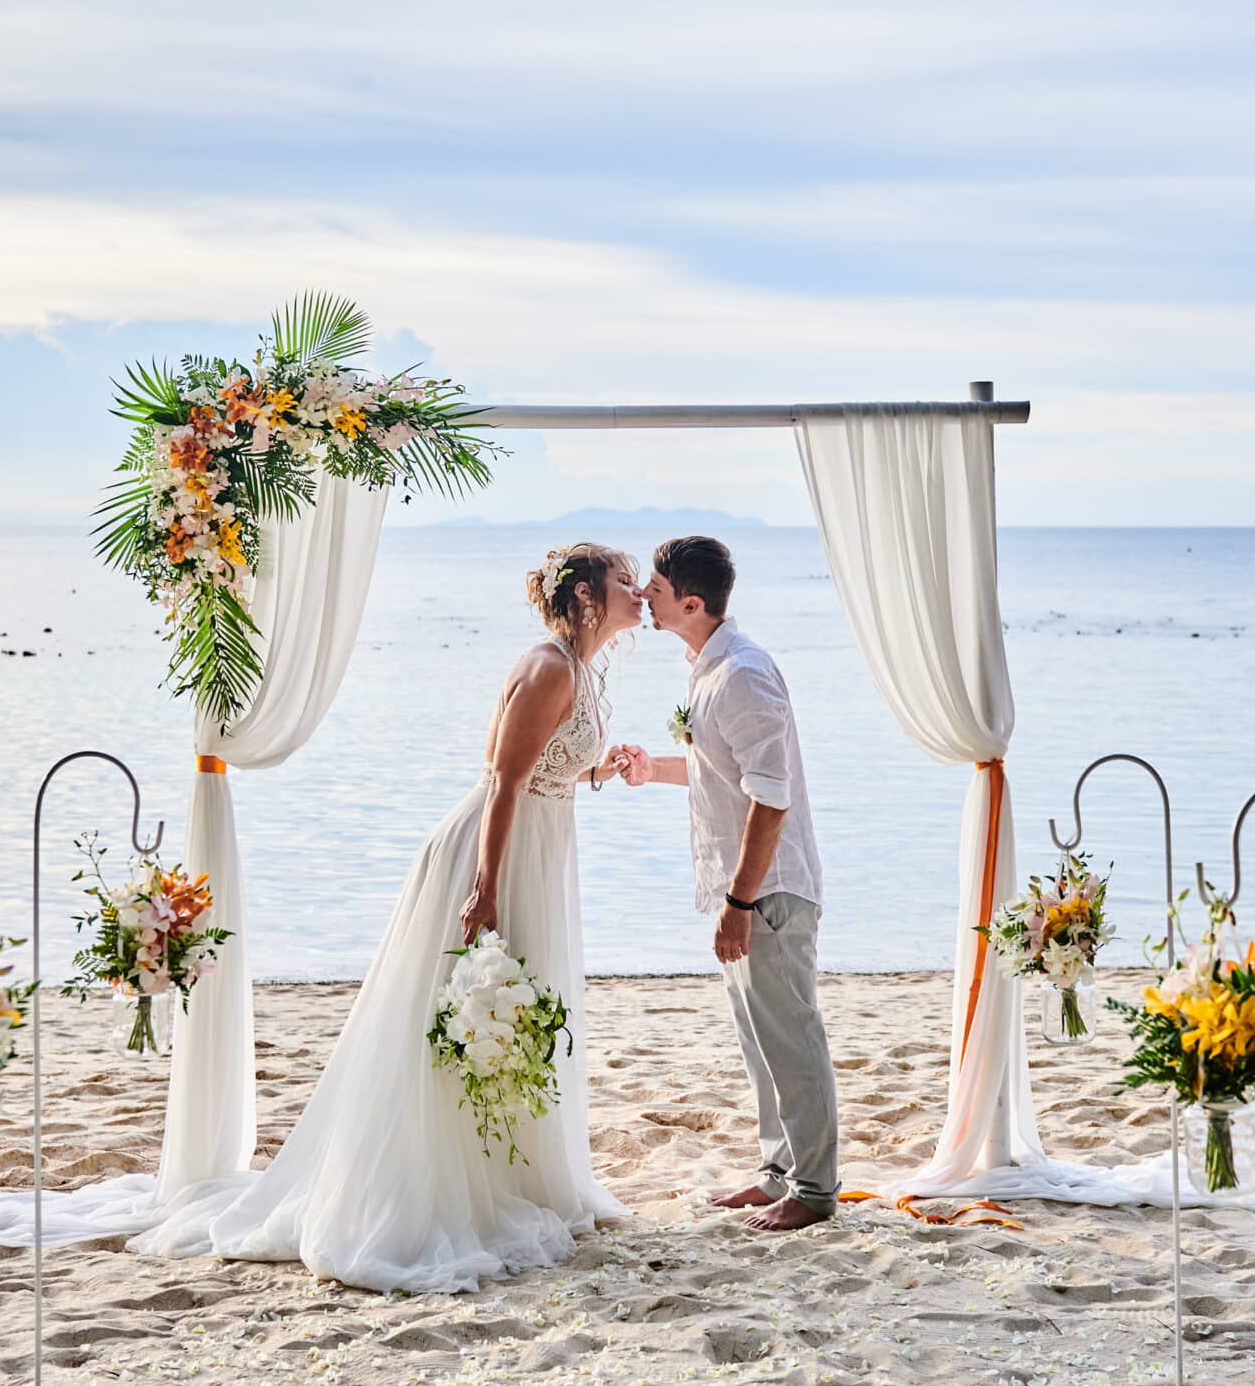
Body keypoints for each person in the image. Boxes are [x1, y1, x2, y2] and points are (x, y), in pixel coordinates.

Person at [131, 542, 641, 1290]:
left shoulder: (584, 671)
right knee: (462, 1015)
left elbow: (547, 767)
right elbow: (503, 781)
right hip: (493, 851)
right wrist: (485, 888)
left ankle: (520, 1173)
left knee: (520, 1016)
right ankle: (423, 1186)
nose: (639, 589)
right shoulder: (549, 667)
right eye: (624, 579)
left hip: (539, 849)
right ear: (589, 594)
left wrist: (602, 767)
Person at [608, 536, 836, 1232]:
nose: (644, 594)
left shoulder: (742, 674)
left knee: (790, 1036)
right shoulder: (705, 668)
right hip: (740, 887)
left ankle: (815, 1188)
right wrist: (656, 769)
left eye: (654, 585)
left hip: (769, 889)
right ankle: (777, 1173)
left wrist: (740, 903)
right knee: (760, 1039)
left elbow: (773, 798)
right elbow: (722, 770)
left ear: (692, 602)